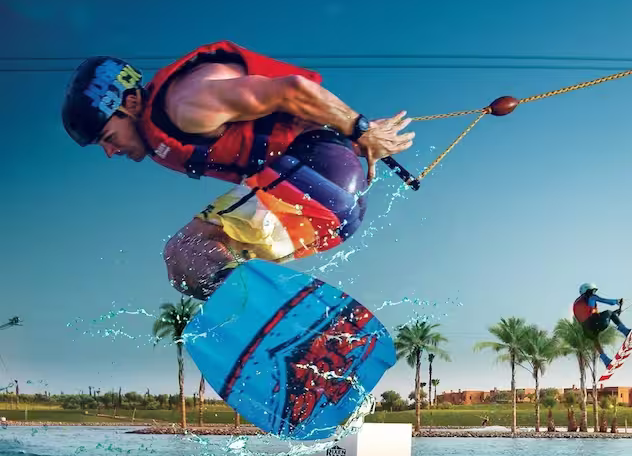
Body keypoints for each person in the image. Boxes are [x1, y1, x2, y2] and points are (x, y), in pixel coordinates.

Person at [61, 40, 415, 300]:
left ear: (132, 102)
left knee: (185, 253)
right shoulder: (163, 130)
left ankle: (285, 330)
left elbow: (292, 90)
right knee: (204, 265)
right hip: (332, 201)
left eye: (108, 137)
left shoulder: (184, 104)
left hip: (320, 175)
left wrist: (361, 129)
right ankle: (292, 331)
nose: (110, 152)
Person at [572, 283, 632, 368]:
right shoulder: (590, 296)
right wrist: (617, 301)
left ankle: (606, 360)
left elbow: (590, 316)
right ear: (588, 291)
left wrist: (614, 314)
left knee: (595, 339)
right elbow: (606, 302)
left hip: (587, 330)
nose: (594, 293)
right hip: (595, 323)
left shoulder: (578, 302)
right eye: (593, 290)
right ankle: (625, 331)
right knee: (608, 312)